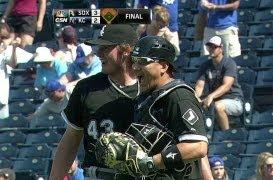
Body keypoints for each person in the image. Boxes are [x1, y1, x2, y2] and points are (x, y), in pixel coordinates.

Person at [49, 24, 140, 180]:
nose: (98, 53)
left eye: (106, 48)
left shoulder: (150, 88)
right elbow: (70, 141)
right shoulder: (86, 88)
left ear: (126, 50)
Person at [131, 36, 210, 179]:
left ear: (163, 66)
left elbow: (198, 146)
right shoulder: (146, 96)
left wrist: (150, 162)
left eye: (142, 62)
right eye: (134, 61)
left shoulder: (179, 96)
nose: (135, 67)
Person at [195, 36, 243, 131]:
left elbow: (226, 86)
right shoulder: (205, 65)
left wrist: (211, 96)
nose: (212, 49)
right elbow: (199, 86)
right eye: (210, 46)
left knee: (218, 106)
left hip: (234, 100)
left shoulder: (229, 63)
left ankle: (225, 134)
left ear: (221, 48)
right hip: (214, 100)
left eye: (214, 47)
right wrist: (195, 99)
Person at [0, 23, 33, 119]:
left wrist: (14, 49)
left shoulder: (8, 50)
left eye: (4, 37)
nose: (2, 40)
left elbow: (13, 64)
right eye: (1, 37)